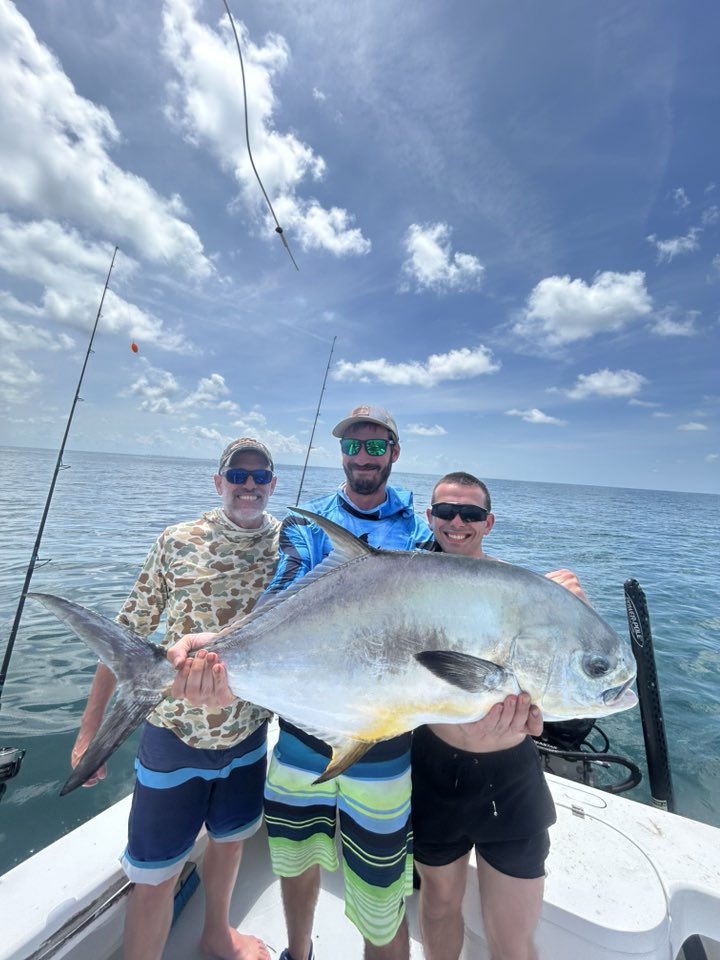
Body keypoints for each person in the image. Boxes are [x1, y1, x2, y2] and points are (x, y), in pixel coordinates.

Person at [71, 438, 281, 960]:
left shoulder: (293, 544)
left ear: (273, 485)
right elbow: (128, 632)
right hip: (175, 735)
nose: (249, 486)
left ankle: (216, 933)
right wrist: (89, 730)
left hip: (249, 733)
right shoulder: (178, 539)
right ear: (219, 482)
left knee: (231, 841)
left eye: (260, 477)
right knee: (156, 872)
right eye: (238, 475)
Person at [412, 470, 587, 960]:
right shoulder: (408, 586)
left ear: (488, 522)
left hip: (511, 782)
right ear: (430, 518)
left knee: (511, 938)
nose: (457, 522)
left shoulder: (521, 591)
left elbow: (570, 696)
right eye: (446, 512)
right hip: (433, 772)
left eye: (470, 514)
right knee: (439, 909)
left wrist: (572, 608)